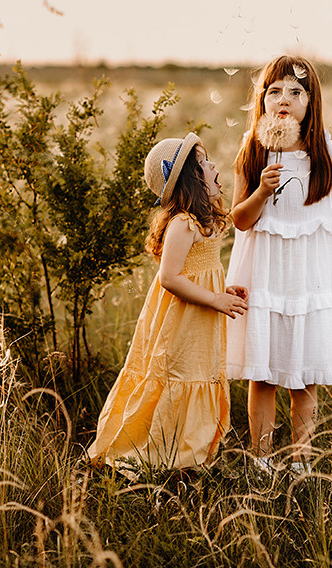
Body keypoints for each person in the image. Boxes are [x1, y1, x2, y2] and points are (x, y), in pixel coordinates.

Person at [226, 55, 332, 474]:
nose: (284, 99)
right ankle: (261, 460)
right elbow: (239, 219)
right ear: (262, 100)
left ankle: (301, 461)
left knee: (304, 373)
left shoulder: (324, 151)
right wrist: (261, 191)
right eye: (274, 91)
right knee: (263, 373)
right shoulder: (253, 148)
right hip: (265, 273)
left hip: (309, 275)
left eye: (296, 92)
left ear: (311, 102)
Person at [88, 133, 249, 471]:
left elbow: (199, 271)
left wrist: (223, 289)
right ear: (191, 178)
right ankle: (160, 452)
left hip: (202, 314)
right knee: (179, 373)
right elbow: (170, 278)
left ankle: (191, 453)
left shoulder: (202, 223)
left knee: (199, 371)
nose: (214, 166)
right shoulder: (182, 224)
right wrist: (214, 298)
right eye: (203, 163)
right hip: (182, 319)